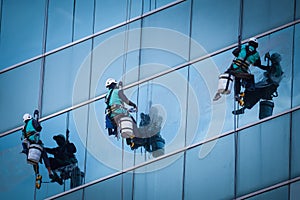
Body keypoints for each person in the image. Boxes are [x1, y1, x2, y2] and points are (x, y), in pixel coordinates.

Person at [213, 37, 267, 103]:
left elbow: (234, 52)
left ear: (249, 43)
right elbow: (258, 64)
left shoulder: (243, 47)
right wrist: (266, 67)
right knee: (242, 78)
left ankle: (219, 93)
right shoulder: (256, 54)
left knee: (227, 76)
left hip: (233, 69)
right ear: (256, 45)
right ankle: (240, 92)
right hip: (243, 72)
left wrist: (240, 54)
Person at [21, 110, 59, 188]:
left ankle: (37, 174)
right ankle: (50, 173)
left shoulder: (24, 128)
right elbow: (38, 128)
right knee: (45, 157)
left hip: (30, 146)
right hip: (38, 144)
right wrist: (37, 119)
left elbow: (22, 138)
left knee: (34, 160)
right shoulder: (32, 121)